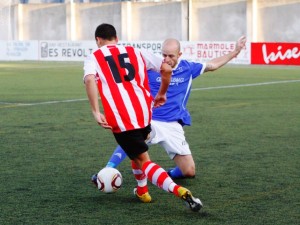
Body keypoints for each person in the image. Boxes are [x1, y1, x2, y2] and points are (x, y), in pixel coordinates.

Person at [84, 23, 202, 212]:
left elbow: (90, 79)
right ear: (117, 38)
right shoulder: (136, 51)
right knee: (137, 154)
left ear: (98, 40)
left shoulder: (94, 56)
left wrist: (95, 111)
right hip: (144, 114)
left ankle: (182, 192)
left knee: (145, 162)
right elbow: (166, 69)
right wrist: (162, 93)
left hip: (121, 118)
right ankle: (142, 191)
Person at [98, 36, 247, 179]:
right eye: (164, 55)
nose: (167, 60)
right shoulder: (151, 68)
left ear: (179, 54)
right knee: (134, 137)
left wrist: (235, 52)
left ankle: (165, 174)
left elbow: (212, 65)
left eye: (171, 56)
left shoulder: (188, 68)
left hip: (173, 125)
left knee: (188, 171)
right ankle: (107, 169)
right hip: (151, 120)